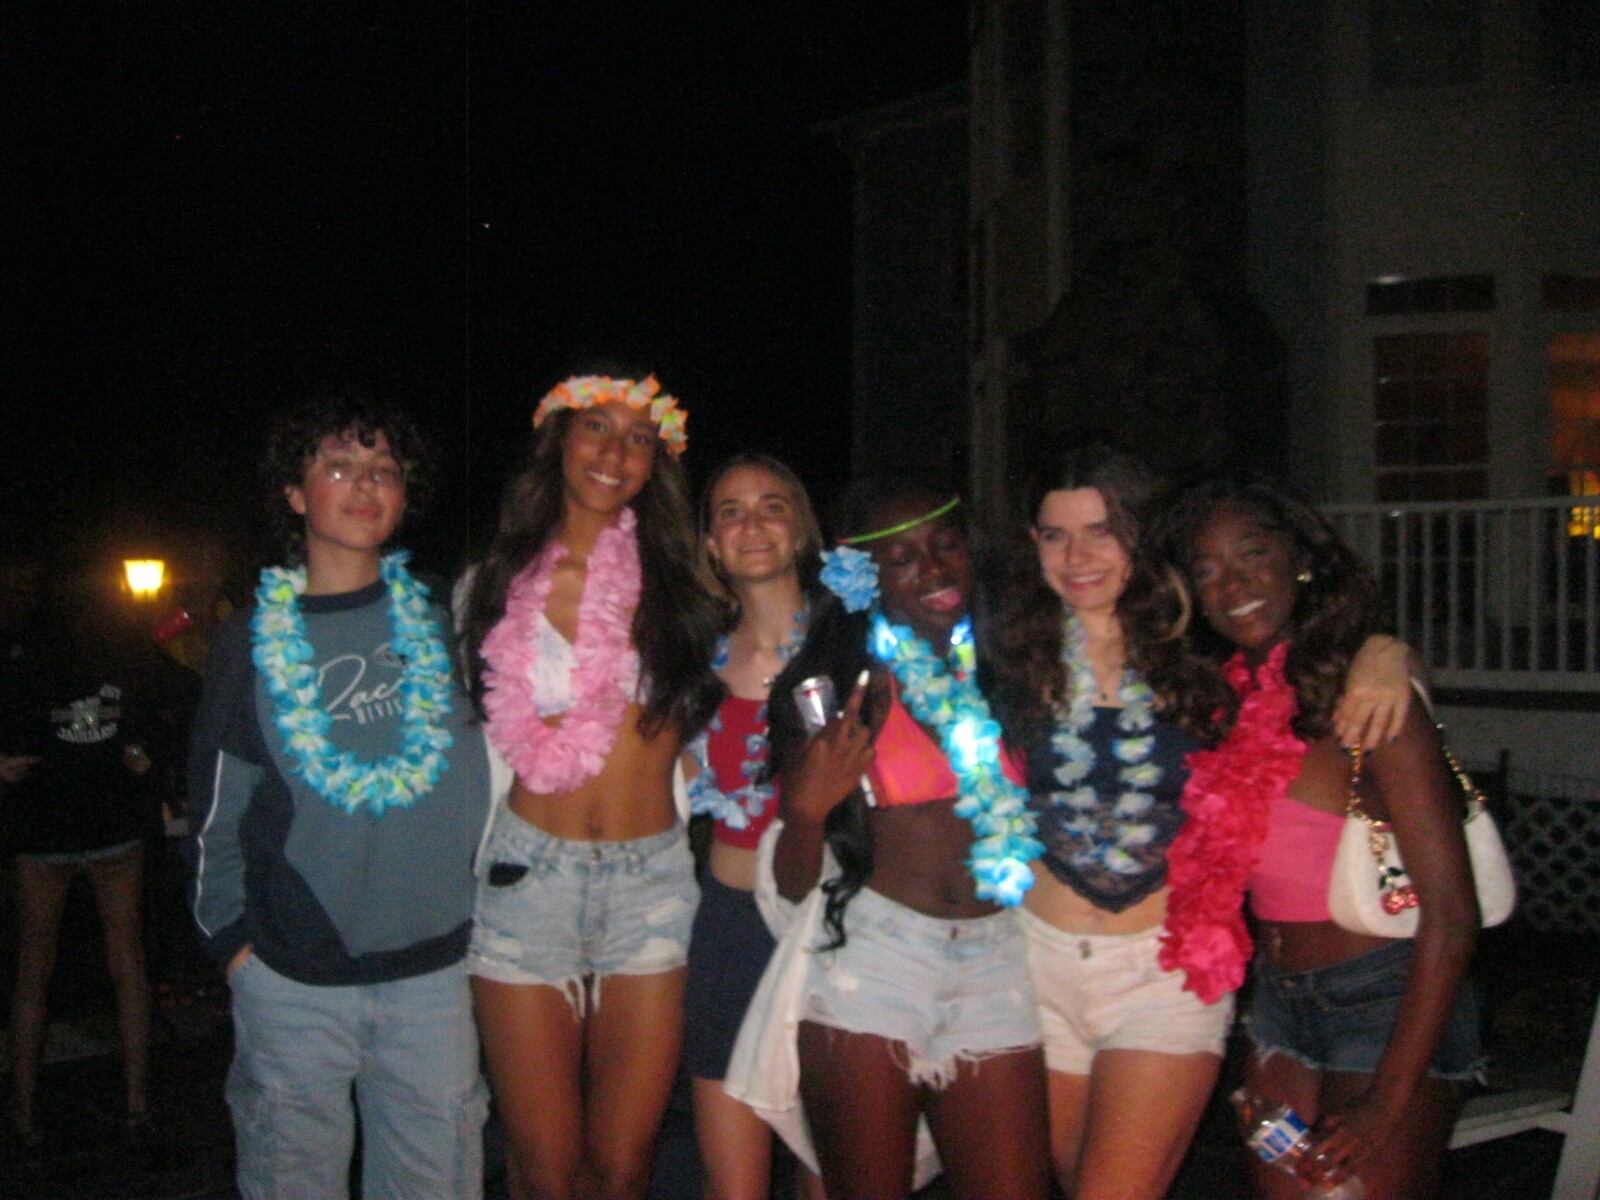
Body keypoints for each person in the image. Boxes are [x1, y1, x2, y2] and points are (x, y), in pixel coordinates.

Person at [982, 445, 1418, 1199]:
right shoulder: (1009, 660)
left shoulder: (1206, 655)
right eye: (1055, 535)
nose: (1077, 558)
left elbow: (1315, 650)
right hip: (1034, 965)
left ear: (1142, 537)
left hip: (1163, 973)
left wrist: (1389, 652)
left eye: (1101, 532)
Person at [186, 395, 492, 1199]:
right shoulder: (250, 640)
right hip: (292, 979)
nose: (365, 484)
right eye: (339, 467)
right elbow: (214, 814)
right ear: (295, 493)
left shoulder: (450, 618)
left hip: (436, 975)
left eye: (384, 469)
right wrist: (236, 949)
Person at [1145, 474, 1481, 1200]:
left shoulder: (1369, 698)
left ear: (1299, 558)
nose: (1234, 585)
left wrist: (1385, 1104)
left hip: (1390, 1002)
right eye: (1207, 570)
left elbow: (1454, 915)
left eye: (1252, 554)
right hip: (1278, 1011)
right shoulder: (1219, 705)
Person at [732, 480, 1052, 1200]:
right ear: (865, 576)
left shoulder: (1013, 665)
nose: (932, 569)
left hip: (997, 960)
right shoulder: (832, 689)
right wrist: (806, 814)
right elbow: (791, 888)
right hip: (874, 963)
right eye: (902, 559)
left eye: (945, 546)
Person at [461, 373, 722, 1200]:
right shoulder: (492, 584)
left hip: (651, 882)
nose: (615, 452)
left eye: (638, 438)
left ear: (656, 461)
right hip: (527, 876)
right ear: (560, 441)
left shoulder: (688, 582)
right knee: (545, 1168)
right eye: (597, 429)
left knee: (623, 1166)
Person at [682, 455, 826, 1200]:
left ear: (800, 528)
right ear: (711, 543)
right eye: (731, 512)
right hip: (731, 929)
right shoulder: (689, 662)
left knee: (832, 1173)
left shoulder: (854, 641)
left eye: (772, 505)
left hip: (833, 931)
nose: (753, 525)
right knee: (733, 1185)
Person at [2, 567, 157, 1149]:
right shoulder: (123, 655)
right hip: (110, 822)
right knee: (127, 961)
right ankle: (137, 1106)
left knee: (34, 969)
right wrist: (140, 755)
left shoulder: (25, 659)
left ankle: (23, 1114)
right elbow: (145, 732)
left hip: (45, 827)